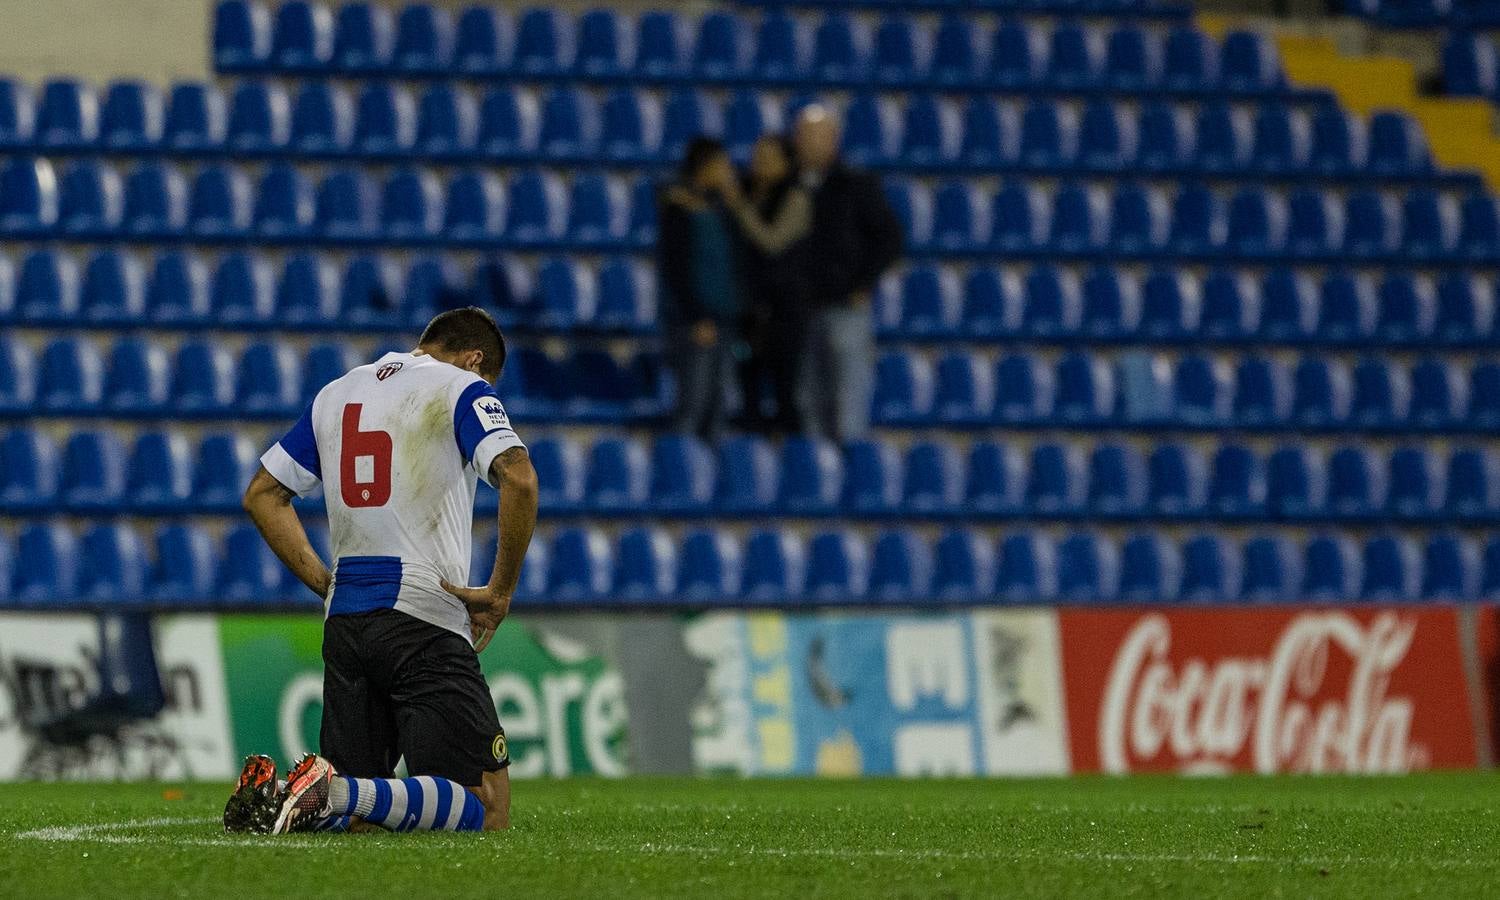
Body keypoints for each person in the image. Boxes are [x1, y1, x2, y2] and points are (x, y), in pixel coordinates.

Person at [225, 306, 539, 835]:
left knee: (366, 823)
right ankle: (327, 788)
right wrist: (500, 591)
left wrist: (328, 584)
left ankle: (286, 794)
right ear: (474, 359)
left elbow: (262, 495)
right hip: (422, 613)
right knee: (486, 805)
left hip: (345, 617)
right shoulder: (463, 387)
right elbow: (520, 479)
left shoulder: (337, 392)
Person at [789, 104, 904, 443]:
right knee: (807, 397)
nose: (809, 143)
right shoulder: (788, 184)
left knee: (847, 399)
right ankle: (816, 476)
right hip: (799, 308)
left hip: (844, 307)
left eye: (817, 136)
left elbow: (890, 237)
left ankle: (847, 479)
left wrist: (861, 282)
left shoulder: (854, 184)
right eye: (804, 136)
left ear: (834, 140)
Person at [719, 134, 814, 435]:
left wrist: (739, 207)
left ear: (787, 163)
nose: (760, 162)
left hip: (784, 311)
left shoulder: (796, 197)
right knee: (746, 374)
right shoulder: (746, 192)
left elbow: (771, 241)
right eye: (758, 155)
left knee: (786, 388)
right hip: (748, 309)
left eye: (770, 157)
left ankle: (792, 460)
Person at [657, 137, 744, 440]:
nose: (728, 171)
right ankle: (684, 473)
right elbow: (677, 269)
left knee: (718, 403)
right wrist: (695, 317)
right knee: (693, 402)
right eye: (722, 165)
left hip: (724, 317)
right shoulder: (679, 209)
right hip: (695, 322)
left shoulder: (723, 209)